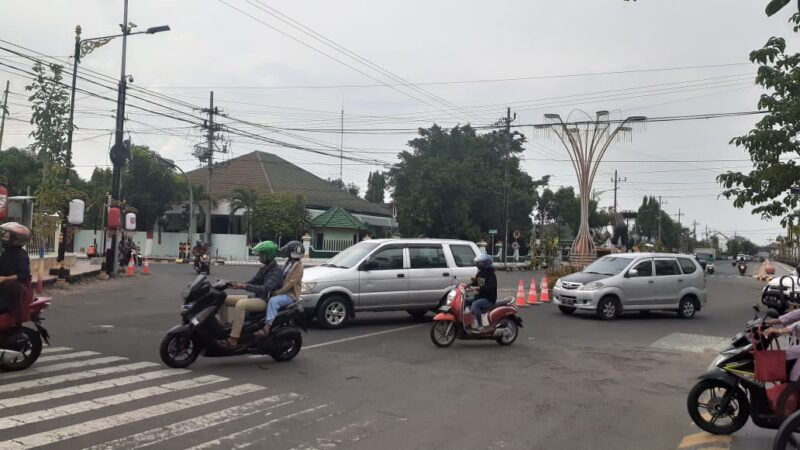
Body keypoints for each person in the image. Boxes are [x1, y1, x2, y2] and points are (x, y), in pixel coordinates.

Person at [219, 240, 284, 348]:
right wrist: (236, 285)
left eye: (261, 254)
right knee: (223, 299)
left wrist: (244, 286)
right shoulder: (264, 268)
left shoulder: (276, 271)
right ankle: (224, 330)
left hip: (265, 301)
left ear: (269, 255)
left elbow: (265, 289)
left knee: (241, 305)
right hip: (256, 297)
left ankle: (233, 339)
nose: (259, 256)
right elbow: (253, 281)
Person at [258, 240, 305, 337]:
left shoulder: (299, 266)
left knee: (273, 301)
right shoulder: (288, 263)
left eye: (288, 250)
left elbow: (290, 283)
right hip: (282, 292)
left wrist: (278, 292)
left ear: (294, 252)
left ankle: (267, 327)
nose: (286, 252)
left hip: (290, 295)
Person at [0, 222, 32, 315]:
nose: (4, 239)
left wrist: (5, 278)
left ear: (15, 240)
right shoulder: (6, 253)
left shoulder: (21, 255)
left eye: (7, 237)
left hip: (14, 290)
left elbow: (24, 274)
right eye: (4, 237)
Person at [468, 254, 497, 331]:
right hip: (480, 297)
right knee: (464, 301)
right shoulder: (480, 273)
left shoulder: (490, 274)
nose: (477, 264)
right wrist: (466, 286)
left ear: (485, 264)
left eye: (479, 263)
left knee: (475, 304)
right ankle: (467, 322)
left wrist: (479, 288)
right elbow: (475, 283)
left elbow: (490, 287)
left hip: (489, 299)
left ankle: (480, 326)